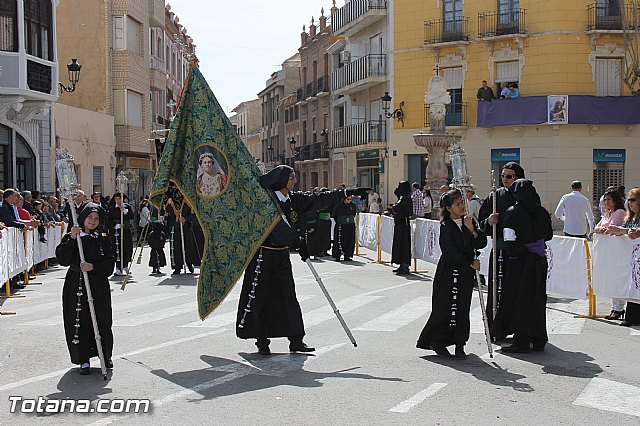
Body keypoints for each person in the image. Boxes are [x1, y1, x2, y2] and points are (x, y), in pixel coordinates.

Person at [236, 165, 369, 355]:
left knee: (289, 295)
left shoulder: (293, 199)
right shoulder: (266, 202)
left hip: (281, 255)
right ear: (281, 180)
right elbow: (276, 227)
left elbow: (317, 199)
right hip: (263, 256)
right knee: (261, 297)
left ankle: (296, 339)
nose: (294, 181)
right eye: (291, 177)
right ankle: (261, 340)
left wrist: (346, 192)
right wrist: (297, 241)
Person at [417, 189, 486, 358]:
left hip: (466, 274)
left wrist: (473, 231)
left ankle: (460, 343)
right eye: (457, 204)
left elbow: (481, 242)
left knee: (463, 307)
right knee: (444, 307)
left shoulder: (469, 221)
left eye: (462, 203)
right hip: (449, 272)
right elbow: (451, 252)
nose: (462, 207)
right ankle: (437, 340)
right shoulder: (446, 226)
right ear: (448, 208)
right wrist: (470, 262)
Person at [55, 202, 115, 375]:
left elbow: (110, 264)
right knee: (79, 320)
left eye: (96, 218)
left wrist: (92, 267)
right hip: (77, 284)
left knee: (102, 319)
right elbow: (63, 259)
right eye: (89, 217)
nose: (93, 221)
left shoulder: (102, 238)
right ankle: (83, 359)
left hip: (98, 285)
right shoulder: (73, 237)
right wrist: (72, 239)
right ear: (82, 218)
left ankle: (105, 355)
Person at [497, 179, 553, 353]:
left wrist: (523, 249)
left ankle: (521, 339)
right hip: (539, 261)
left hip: (521, 263)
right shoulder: (542, 212)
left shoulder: (512, 213)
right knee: (537, 299)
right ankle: (538, 338)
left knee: (519, 300)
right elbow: (549, 235)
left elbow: (510, 242)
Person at [478, 161, 530, 339]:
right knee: (497, 289)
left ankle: (519, 329)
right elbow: (482, 220)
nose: (505, 179)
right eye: (503, 176)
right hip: (501, 249)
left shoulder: (525, 194)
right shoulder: (496, 195)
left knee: (519, 291)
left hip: (521, 251)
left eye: (509, 176)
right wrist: (489, 222)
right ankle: (497, 327)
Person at [605, 187, 640, 327]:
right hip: (631, 258)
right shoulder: (630, 217)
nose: (629, 203)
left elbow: (634, 233)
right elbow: (625, 232)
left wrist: (623, 231)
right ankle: (630, 315)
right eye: (628, 200)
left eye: (632, 200)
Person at [593, 188, 627, 320]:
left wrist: (602, 229)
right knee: (610, 278)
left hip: (615, 251)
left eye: (608, 200)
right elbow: (597, 227)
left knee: (617, 278)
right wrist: (601, 229)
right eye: (605, 200)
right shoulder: (607, 213)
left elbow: (611, 229)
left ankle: (619, 307)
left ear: (615, 201)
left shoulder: (619, 212)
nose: (606, 202)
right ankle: (614, 307)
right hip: (606, 251)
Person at [107, 192, 134, 276]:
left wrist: (124, 211)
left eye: (119, 199)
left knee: (127, 247)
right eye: (116, 199)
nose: (118, 200)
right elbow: (108, 220)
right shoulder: (111, 208)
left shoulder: (127, 207)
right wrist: (117, 225)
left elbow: (131, 216)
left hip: (126, 231)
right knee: (117, 248)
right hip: (116, 232)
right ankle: (118, 267)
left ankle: (125, 265)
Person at [391, 181, 413, 275]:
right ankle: (400, 264)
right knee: (399, 245)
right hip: (399, 225)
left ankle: (405, 266)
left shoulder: (406, 199)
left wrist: (395, 209)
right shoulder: (402, 198)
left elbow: (400, 209)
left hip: (404, 225)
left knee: (404, 245)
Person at [332, 193, 357, 262]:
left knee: (349, 240)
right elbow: (334, 215)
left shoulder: (353, 206)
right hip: (341, 225)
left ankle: (347, 255)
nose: (349, 201)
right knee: (339, 240)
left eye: (350, 199)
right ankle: (338, 256)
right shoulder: (338, 206)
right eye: (348, 199)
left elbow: (354, 214)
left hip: (349, 226)